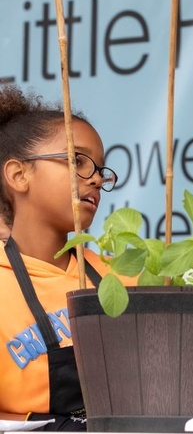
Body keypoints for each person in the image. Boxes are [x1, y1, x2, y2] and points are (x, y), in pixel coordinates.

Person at [0, 85, 126, 430]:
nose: (97, 178)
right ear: (18, 175)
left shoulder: (121, 278)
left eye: (100, 169)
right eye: (77, 161)